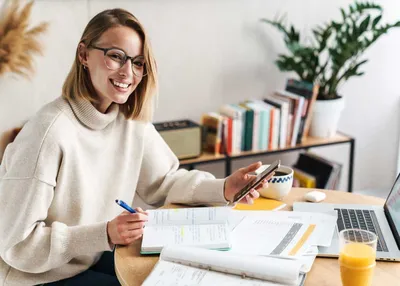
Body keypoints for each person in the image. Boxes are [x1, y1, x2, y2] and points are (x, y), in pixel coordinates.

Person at [0, 8, 270, 286]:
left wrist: (224, 188)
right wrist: (105, 233)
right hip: (34, 277)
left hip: (88, 257)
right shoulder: (47, 133)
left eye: (138, 63)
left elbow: (163, 181)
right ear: (83, 54)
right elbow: (17, 246)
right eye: (116, 56)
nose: (128, 72)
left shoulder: (128, 120)